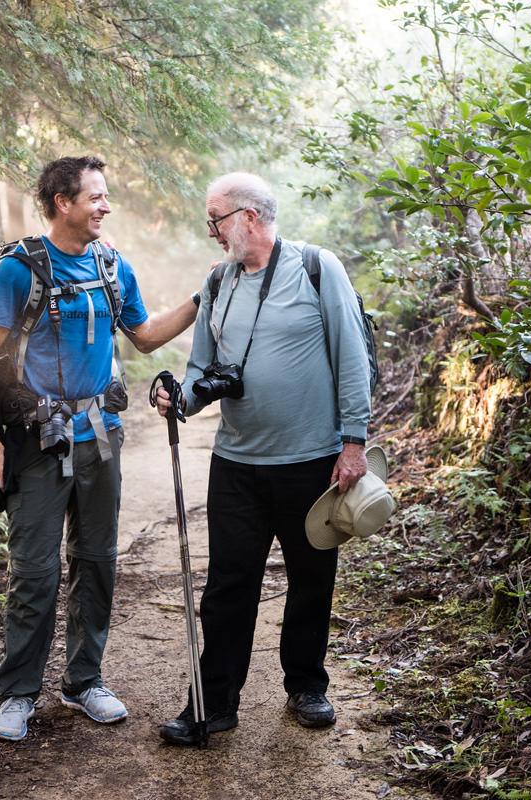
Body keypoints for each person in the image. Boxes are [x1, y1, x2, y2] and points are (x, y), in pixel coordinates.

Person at [0, 156, 198, 741]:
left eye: (106, 196)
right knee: (36, 573)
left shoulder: (111, 264)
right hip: (38, 445)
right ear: (62, 202)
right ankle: (18, 693)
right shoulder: (17, 271)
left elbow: (143, 337)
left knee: (97, 561)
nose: (106, 206)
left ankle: (84, 682)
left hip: (101, 437)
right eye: (95, 196)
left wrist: (203, 296)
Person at [154, 172, 373, 745]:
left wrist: (354, 441)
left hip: (311, 460)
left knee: (311, 576)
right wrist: (180, 397)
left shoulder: (316, 268)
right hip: (237, 464)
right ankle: (213, 702)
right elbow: (202, 369)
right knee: (227, 584)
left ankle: (306, 685)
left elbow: (351, 354)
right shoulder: (218, 283)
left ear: (249, 216)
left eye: (215, 219)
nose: (210, 231)